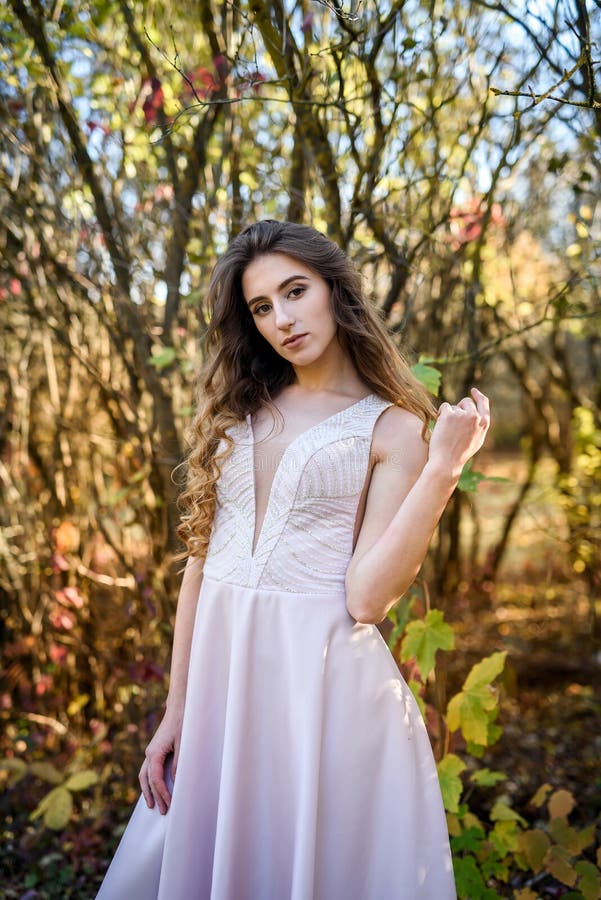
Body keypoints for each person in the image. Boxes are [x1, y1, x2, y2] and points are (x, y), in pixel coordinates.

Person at [97, 219, 490, 899]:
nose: (281, 318)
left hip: (320, 693)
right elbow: (202, 568)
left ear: (333, 289)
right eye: (260, 307)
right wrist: (177, 711)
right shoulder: (239, 411)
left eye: (294, 291)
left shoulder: (392, 427)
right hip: (225, 687)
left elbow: (367, 600)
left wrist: (442, 470)